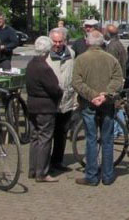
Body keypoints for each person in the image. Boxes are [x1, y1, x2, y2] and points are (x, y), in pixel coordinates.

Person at [71, 29, 123, 186]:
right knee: (107, 140)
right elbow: (118, 80)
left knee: (91, 139)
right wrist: (105, 95)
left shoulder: (81, 59)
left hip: (88, 103)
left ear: (87, 42)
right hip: (107, 103)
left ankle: (92, 176)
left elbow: (76, 82)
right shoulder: (111, 59)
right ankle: (107, 175)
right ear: (102, 43)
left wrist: (92, 95)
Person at [25, 36, 63, 182]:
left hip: (32, 105)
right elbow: (54, 88)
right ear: (48, 50)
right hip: (45, 107)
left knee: (34, 138)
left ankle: (33, 169)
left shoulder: (31, 64)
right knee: (45, 139)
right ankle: (42, 172)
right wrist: (60, 93)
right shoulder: (44, 67)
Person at [46, 27, 76, 172]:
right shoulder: (45, 55)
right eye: (55, 41)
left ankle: (57, 161)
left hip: (67, 100)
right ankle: (45, 163)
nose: (57, 44)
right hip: (51, 100)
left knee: (62, 132)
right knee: (48, 133)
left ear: (65, 41)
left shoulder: (72, 54)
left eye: (60, 41)